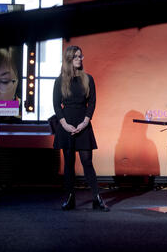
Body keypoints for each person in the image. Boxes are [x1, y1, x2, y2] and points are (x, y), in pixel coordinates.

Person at [52, 45, 108, 211]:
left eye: (80, 56)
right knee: (69, 164)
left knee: (87, 162)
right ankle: (70, 198)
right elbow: (56, 105)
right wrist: (64, 124)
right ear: (69, 59)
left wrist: (85, 122)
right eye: (76, 56)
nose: (79, 59)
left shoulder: (88, 79)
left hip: (83, 124)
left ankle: (97, 199)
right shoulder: (60, 80)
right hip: (66, 125)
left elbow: (92, 102)